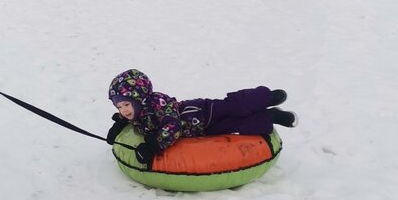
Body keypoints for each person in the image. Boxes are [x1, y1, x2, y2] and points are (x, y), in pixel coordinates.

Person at [106, 69, 298, 168]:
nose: (123, 110)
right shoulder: (137, 113)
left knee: (236, 106)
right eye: (119, 106)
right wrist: (118, 126)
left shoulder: (157, 102)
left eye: (126, 105)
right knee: (239, 124)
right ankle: (273, 117)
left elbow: (171, 126)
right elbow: (132, 120)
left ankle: (267, 97)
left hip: (203, 111)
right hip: (204, 130)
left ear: (140, 99)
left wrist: (154, 146)